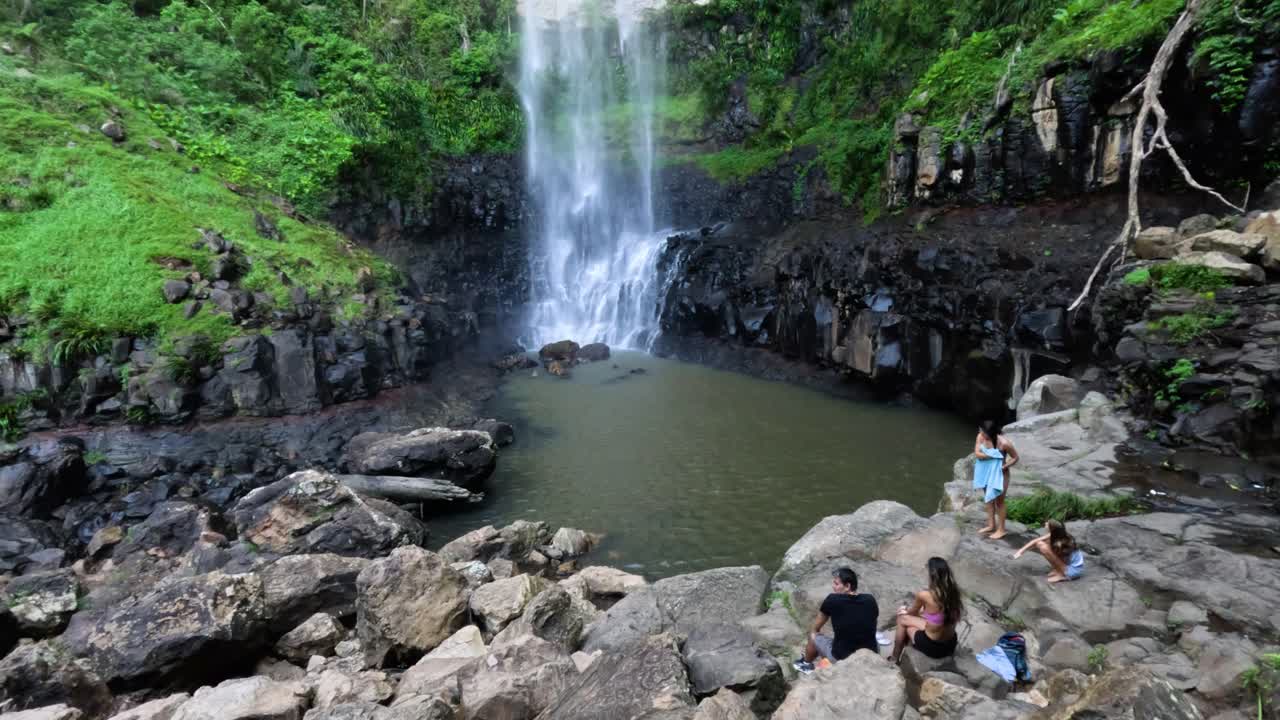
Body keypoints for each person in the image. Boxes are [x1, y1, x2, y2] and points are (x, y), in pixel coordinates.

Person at [791, 567, 878, 674]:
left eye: (836, 584)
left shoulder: (832, 600)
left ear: (847, 586)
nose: (833, 587)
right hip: (871, 654)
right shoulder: (870, 599)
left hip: (842, 657)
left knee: (813, 636)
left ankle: (805, 663)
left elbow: (815, 628)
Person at [888, 557, 964, 664]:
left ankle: (894, 658)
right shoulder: (955, 592)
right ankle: (907, 652)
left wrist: (904, 610)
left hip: (933, 648)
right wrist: (922, 612)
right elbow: (936, 616)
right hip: (950, 644)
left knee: (902, 619)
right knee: (923, 617)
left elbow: (912, 613)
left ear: (931, 575)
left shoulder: (925, 595)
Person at [974, 420, 1019, 540]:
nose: (980, 432)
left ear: (991, 433)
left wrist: (1004, 466)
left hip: (1000, 474)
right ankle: (991, 524)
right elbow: (977, 453)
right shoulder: (981, 437)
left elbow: (1015, 458)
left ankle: (1001, 530)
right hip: (985, 471)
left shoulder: (1004, 443)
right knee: (988, 499)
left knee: (999, 501)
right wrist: (991, 455)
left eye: (983, 431)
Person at [1013, 519, 1085, 583]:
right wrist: (1020, 551)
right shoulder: (1055, 535)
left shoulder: (1060, 543)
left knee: (1044, 547)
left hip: (1073, 571)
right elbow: (1035, 541)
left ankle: (1062, 574)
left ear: (1052, 528)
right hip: (1067, 565)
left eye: (1048, 523)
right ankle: (1058, 570)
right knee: (1040, 544)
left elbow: (1060, 558)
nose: (1046, 523)